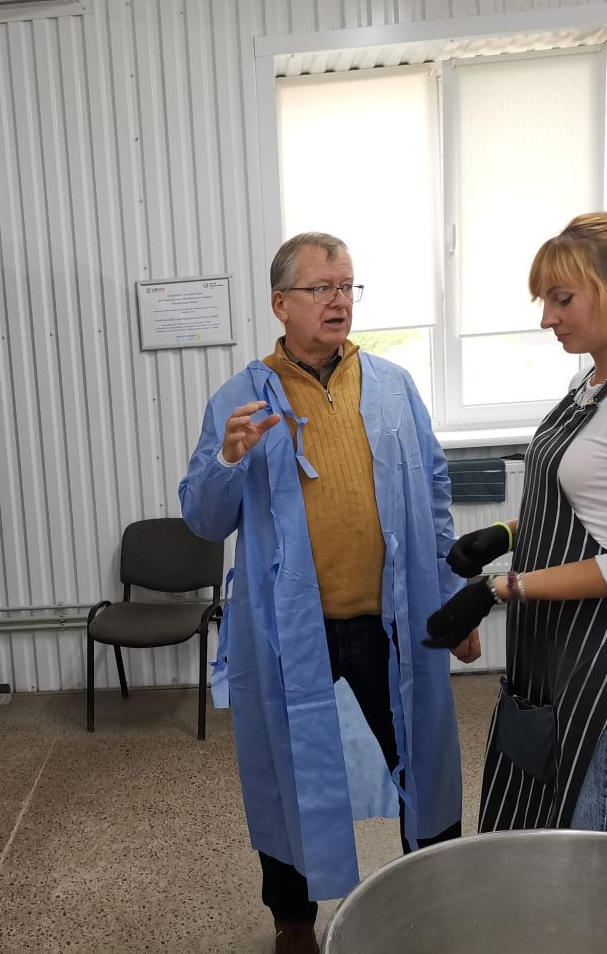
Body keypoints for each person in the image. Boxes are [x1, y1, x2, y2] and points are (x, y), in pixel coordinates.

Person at [180, 232, 475, 954]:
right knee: (286, 775)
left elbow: (435, 496)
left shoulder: (393, 386)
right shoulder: (240, 400)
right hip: (291, 634)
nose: (339, 300)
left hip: (393, 622)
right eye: (321, 288)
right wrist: (226, 460)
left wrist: (453, 596)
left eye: (347, 286)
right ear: (280, 303)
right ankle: (293, 922)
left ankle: (434, 900)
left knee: (426, 762)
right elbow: (203, 519)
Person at [424, 199, 607, 837]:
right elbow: (588, 505)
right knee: (548, 834)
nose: (546, 317)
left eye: (561, 299)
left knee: (606, 857)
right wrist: (504, 535)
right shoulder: (590, 384)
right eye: (544, 300)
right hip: (553, 644)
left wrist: (502, 587)